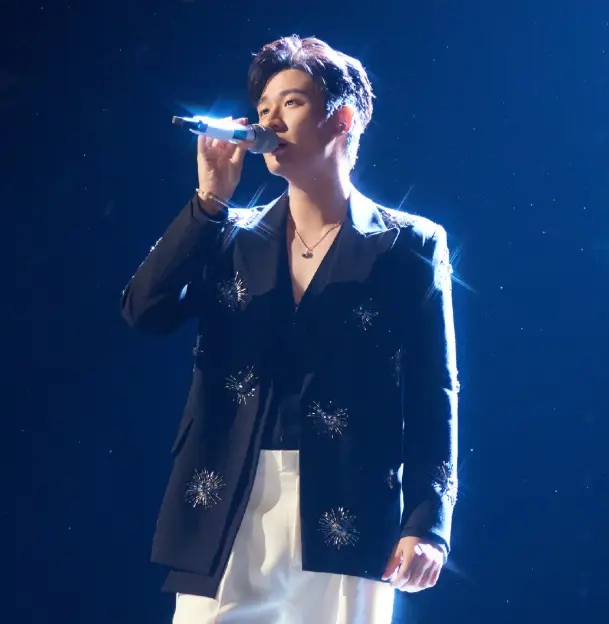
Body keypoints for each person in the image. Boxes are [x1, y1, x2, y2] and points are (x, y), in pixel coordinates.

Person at [121, 36, 459, 623]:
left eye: (292, 103)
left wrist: (428, 523)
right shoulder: (227, 234)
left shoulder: (409, 245)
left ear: (342, 119)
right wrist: (208, 203)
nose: (269, 120)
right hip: (225, 495)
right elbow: (143, 311)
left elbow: (435, 392)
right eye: (263, 108)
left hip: (350, 499)